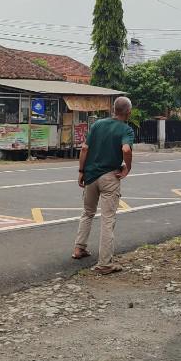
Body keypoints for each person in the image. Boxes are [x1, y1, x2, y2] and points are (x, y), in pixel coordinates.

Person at [71, 96, 134, 274]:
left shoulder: (98, 125)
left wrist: (81, 171)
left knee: (87, 213)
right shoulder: (126, 130)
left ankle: (79, 248)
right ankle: (105, 263)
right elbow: (126, 149)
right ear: (128, 112)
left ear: (114, 109)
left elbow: (84, 148)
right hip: (109, 177)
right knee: (107, 219)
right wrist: (127, 167)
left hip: (90, 176)